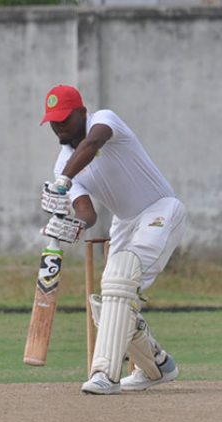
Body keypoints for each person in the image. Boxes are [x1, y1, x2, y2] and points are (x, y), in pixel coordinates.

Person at [39, 84, 187, 394]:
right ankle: (157, 366)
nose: (59, 127)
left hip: (160, 209)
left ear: (82, 112)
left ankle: (105, 374)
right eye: (53, 121)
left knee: (121, 280)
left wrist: (64, 180)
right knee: (109, 303)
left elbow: (93, 143)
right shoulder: (61, 163)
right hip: (124, 223)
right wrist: (69, 226)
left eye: (65, 119)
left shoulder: (104, 121)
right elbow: (87, 213)